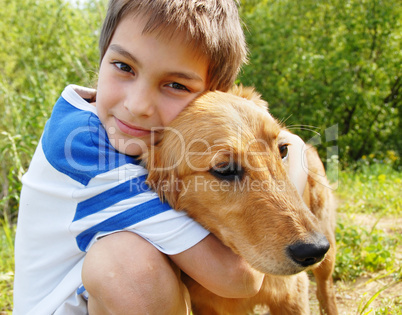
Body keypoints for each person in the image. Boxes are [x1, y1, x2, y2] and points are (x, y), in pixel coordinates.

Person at [13, 0, 308, 314]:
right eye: (124, 67)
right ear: (102, 56)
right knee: (127, 259)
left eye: (176, 85)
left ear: (212, 98)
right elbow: (238, 278)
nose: (138, 105)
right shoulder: (83, 151)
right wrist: (288, 162)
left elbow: (290, 146)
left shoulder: (156, 142)